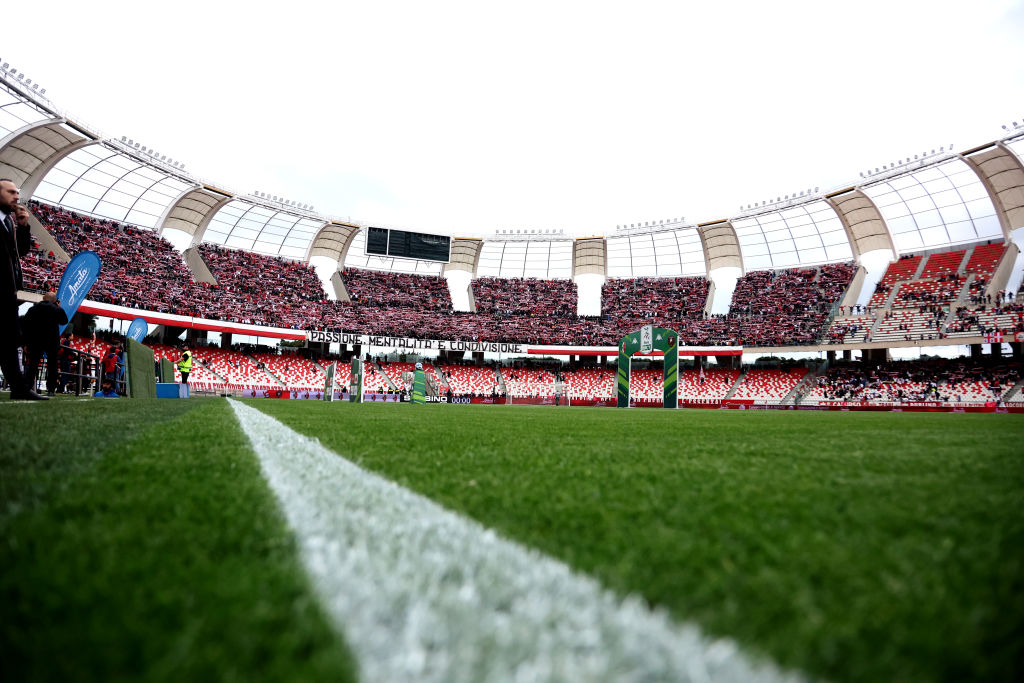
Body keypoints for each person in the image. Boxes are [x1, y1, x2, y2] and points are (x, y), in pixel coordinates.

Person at [0, 181, 46, 400]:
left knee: (9, 341)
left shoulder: (8, 221)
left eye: (18, 193)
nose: (16, 196)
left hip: (8, 293)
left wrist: (23, 226)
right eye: (10, 192)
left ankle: (18, 388)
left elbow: (21, 252)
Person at [22, 291, 68, 396]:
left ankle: (27, 388)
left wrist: (26, 343)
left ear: (43, 298)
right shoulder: (57, 309)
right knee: (52, 366)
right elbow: (64, 321)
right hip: (52, 341)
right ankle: (51, 389)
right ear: (55, 300)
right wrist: (58, 306)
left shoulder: (33, 308)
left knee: (33, 364)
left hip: (35, 340)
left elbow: (25, 325)